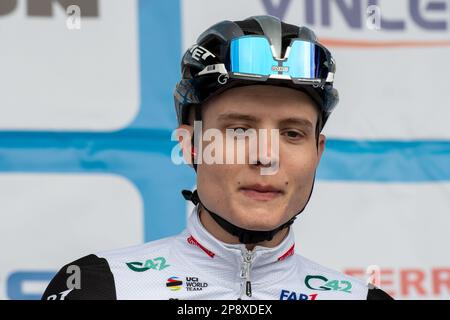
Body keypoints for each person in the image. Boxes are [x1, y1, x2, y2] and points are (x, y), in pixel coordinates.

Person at [42, 15, 392, 300]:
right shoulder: (96, 288)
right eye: (239, 130)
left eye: (292, 134)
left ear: (317, 153)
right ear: (191, 144)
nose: (266, 157)